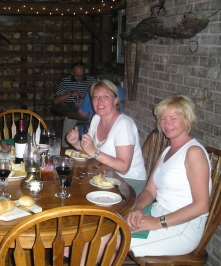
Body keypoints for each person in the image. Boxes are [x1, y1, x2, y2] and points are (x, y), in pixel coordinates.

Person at [126, 94, 211, 257]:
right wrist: (138, 208)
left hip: (182, 227)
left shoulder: (194, 152)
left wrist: (157, 222)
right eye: (163, 119)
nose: (167, 124)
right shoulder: (167, 151)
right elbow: (150, 190)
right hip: (157, 213)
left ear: (187, 119)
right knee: (106, 227)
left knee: (111, 240)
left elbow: (202, 206)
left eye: (173, 118)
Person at [66, 79, 146, 195]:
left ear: (115, 100)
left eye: (106, 96)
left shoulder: (124, 124)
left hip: (129, 182)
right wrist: (75, 142)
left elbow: (124, 167)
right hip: (107, 174)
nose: (99, 101)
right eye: (95, 97)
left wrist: (94, 152)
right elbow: (89, 149)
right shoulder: (96, 118)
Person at [54, 62, 96, 147]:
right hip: (71, 112)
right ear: (72, 73)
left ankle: (92, 147)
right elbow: (56, 101)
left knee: (96, 120)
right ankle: (65, 149)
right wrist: (70, 94)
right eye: (77, 75)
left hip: (87, 111)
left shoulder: (91, 80)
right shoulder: (65, 81)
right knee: (69, 121)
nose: (80, 78)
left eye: (82, 75)